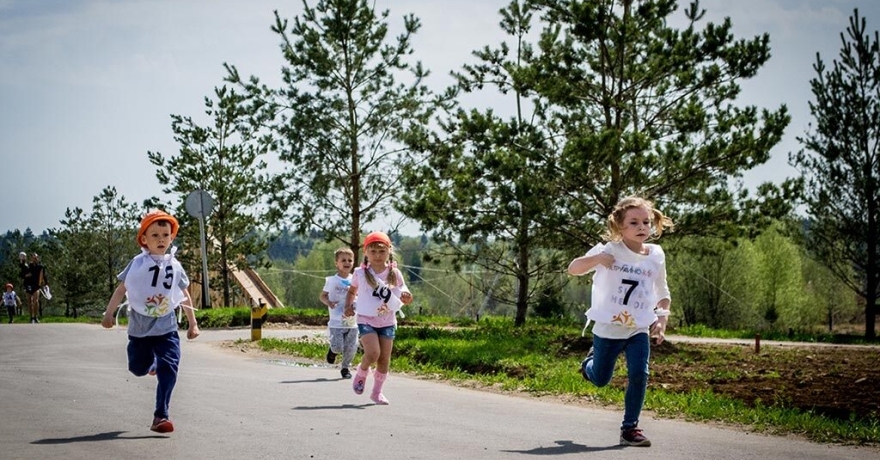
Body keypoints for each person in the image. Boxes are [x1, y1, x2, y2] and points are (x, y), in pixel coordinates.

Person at [567, 196, 674, 447]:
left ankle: (630, 429)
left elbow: (663, 292)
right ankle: (589, 364)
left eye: (646, 222)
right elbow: (574, 268)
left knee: (640, 374)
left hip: (638, 327)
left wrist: (661, 321)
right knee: (601, 378)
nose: (642, 227)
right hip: (608, 328)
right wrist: (597, 260)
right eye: (634, 222)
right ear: (620, 226)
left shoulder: (656, 255)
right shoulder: (610, 250)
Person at [101, 210, 200, 434]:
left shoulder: (175, 266)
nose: (161, 239)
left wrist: (193, 323)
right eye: (154, 235)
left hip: (166, 327)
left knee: (170, 367)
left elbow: (184, 294)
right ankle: (151, 364)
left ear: (172, 238)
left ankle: (161, 415)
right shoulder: (137, 264)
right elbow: (121, 289)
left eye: (165, 234)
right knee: (137, 368)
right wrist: (109, 313)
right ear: (144, 240)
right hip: (140, 329)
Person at [343, 231, 413, 405]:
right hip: (366, 319)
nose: (377, 256)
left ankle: (377, 392)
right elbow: (352, 291)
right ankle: (362, 371)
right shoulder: (360, 273)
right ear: (366, 252)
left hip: (387, 320)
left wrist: (406, 296)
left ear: (389, 251)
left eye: (382, 251)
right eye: (373, 252)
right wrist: (348, 306)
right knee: (373, 353)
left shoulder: (394, 273)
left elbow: (403, 289)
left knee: (384, 358)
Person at [320, 247, 358, 379]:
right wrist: (329, 302)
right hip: (336, 321)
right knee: (337, 347)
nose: (347, 263)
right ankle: (332, 351)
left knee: (351, 347)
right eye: (343, 260)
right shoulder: (332, 280)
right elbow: (322, 296)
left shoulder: (356, 279)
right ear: (336, 263)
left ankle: (345, 368)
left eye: (350, 260)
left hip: (352, 321)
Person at [20, 252, 48, 323]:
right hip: (28, 285)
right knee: (30, 302)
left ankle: (35, 317)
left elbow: (43, 276)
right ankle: (31, 317)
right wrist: (26, 275)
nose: (35, 258)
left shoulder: (40, 267)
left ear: (38, 258)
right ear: (31, 258)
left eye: (36, 257)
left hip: (36, 286)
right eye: (33, 257)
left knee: (36, 301)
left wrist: (46, 284)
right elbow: (21, 274)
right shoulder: (28, 266)